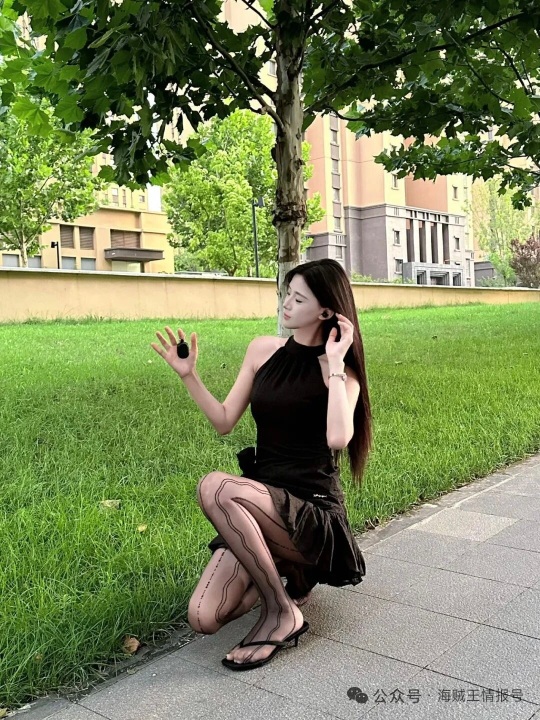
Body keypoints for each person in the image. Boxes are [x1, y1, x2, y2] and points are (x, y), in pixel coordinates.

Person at [150, 258, 373, 671]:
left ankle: (281, 611)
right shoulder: (262, 350)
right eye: (287, 294)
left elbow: (338, 439)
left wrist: (335, 364)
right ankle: (287, 574)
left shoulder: (341, 374)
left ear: (326, 311)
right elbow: (223, 421)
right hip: (257, 505)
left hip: (310, 513)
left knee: (216, 487)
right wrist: (188, 375)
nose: (287, 304)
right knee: (203, 616)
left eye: (299, 299)